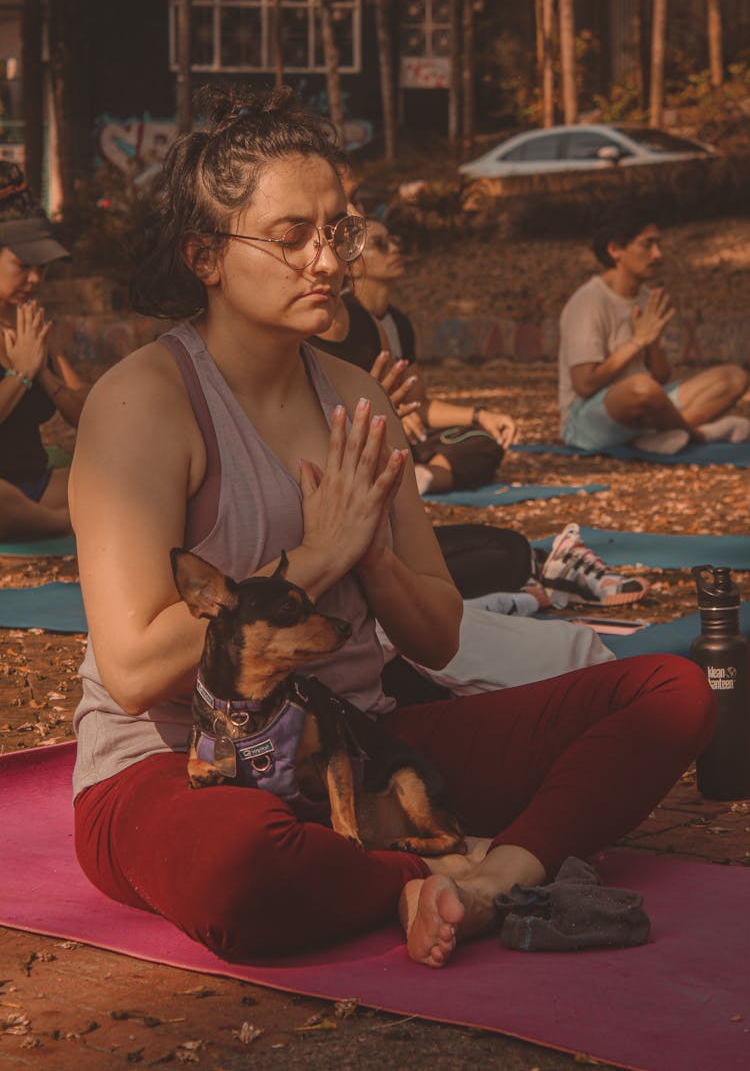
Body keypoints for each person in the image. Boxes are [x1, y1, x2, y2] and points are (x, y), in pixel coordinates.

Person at [71, 85, 715, 970]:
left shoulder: (356, 396)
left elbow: (439, 634)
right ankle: (403, 879)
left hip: (354, 753)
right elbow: (134, 667)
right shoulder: (143, 403)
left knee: (670, 693)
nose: (326, 259)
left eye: (337, 228)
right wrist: (316, 555)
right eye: (291, 236)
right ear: (206, 256)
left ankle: (491, 881)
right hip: (185, 766)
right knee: (236, 864)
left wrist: (371, 557)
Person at [311, 219, 517, 494]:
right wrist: (384, 412)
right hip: (358, 435)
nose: (395, 249)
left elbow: (417, 403)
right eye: (380, 245)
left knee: (482, 442)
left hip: (402, 432)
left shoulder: (398, 323)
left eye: (394, 240)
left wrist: (480, 416)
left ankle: (423, 478)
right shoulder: (333, 321)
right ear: (351, 260)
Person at [559, 209, 749, 455]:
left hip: (646, 403)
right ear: (615, 249)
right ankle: (697, 434)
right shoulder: (589, 301)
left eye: (658, 244)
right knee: (641, 387)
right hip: (586, 419)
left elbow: (661, 377)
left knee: (734, 377)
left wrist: (653, 341)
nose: (657, 254)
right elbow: (584, 385)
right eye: (647, 245)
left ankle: (657, 434)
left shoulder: (646, 297)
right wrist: (638, 342)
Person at [0, 163, 89, 538]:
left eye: (43, 268)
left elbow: (89, 417)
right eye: (23, 266)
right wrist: (19, 375)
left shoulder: (33, 325)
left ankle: (55, 521)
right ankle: (69, 526)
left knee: (134, 475)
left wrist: (43, 372)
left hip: (39, 485)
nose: (35, 279)